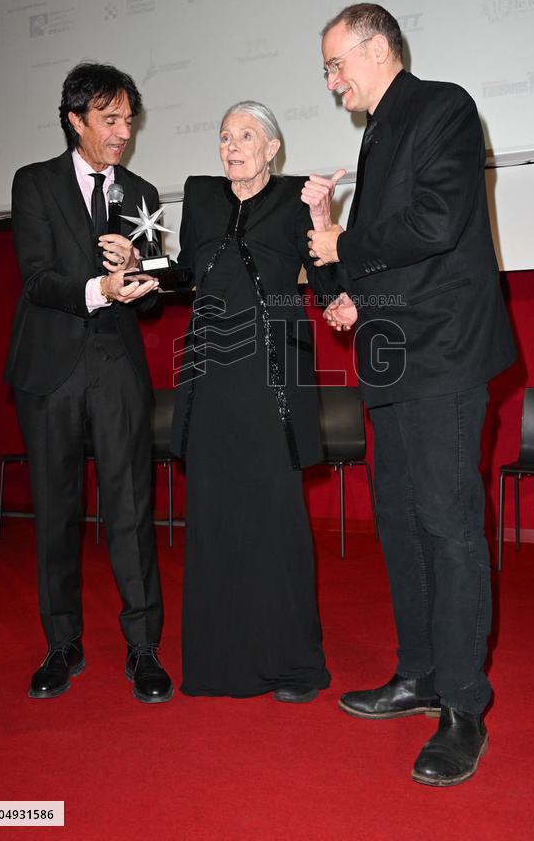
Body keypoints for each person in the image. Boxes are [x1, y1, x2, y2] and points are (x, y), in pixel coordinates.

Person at [304, 4, 516, 785]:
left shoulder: (444, 107)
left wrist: (344, 244)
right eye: (327, 70)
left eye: (335, 65)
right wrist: (349, 280)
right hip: (392, 355)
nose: (332, 83)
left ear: (376, 47)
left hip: (447, 356)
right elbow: (398, 259)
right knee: (398, 518)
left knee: (448, 524)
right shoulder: (380, 133)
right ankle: (420, 674)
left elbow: (435, 223)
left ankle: (464, 704)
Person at [5, 62, 173, 704]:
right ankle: (62, 644)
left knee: (131, 508)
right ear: (75, 121)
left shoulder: (141, 191)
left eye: (129, 119)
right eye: (110, 120)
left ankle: (143, 649)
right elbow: (37, 278)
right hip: (49, 369)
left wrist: (140, 271)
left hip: (116, 370)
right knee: (56, 511)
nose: (122, 132)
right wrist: (98, 287)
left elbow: (153, 297)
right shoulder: (33, 184)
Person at [171, 101, 340, 702]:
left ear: (273, 148)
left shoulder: (296, 196)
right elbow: (187, 272)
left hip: (274, 372)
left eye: (246, 136)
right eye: (224, 136)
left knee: (275, 517)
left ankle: (292, 664)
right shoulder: (200, 195)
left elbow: (324, 279)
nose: (232, 145)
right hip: (211, 370)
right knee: (215, 515)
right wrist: (138, 267)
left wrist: (327, 237)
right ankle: (219, 664)